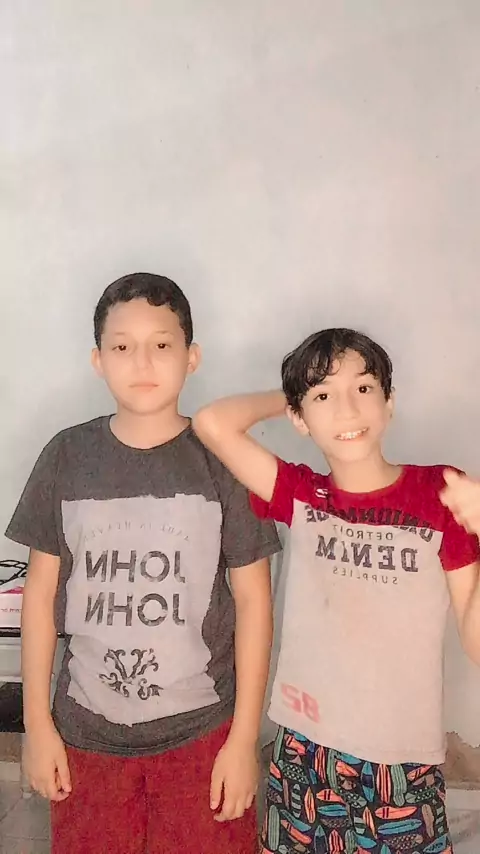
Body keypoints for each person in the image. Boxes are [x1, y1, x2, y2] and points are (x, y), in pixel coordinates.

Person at [6, 272, 281, 854]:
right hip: (86, 739)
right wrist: (37, 725)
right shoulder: (66, 455)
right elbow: (39, 594)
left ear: (191, 357)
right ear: (98, 360)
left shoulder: (223, 463)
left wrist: (243, 740)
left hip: (203, 737)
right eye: (122, 346)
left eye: (161, 344)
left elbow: (255, 601)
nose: (142, 362)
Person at [193, 327, 480, 854]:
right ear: (300, 418)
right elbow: (213, 423)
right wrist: (296, 396)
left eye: (364, 388)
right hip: (302, 751)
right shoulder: (302, 495)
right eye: (325, 396)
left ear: (389, 402)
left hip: (401, 765)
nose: (347, 409)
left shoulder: (440, 493)